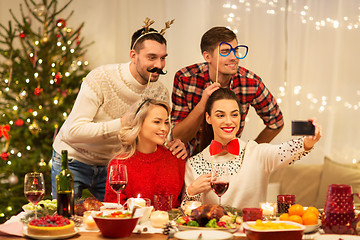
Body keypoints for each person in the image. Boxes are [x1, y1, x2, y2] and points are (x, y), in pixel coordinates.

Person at [51, 18, 187, 201]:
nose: (160, 65)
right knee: (66, 220)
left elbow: (155, 130)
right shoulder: (102, 77)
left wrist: (172, 143)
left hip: (113, 165)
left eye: (163, 58)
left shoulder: (159, 92)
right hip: (73, 161)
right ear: (133, 55)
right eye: (152, 57)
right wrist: (122, 123)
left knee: (113, 223)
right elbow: (72, 132)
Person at [182, 88, 322, 208]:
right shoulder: (193, 164)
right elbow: (186, 215)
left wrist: (307, 142)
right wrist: (191, 191)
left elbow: (283, 151)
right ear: (208, 118)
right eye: (220, 115)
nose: (229, 121)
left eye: (234, 114)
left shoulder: (256, 153)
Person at [171, 26, 284, 156]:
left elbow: (276, 122)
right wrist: (203, 104)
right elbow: (178, 136)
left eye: (236, 50)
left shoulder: (250, 82)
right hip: (190, 159)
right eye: (225, 51)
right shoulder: (185, 78)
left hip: (229, 160)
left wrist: (250, 154)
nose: (234, 57)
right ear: (207, 56)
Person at [104, 99, 185, 208]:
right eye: (157, 122)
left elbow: (183, 206)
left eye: (166, 122)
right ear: (139, 124)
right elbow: (113, 209)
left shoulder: (176, 157)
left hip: (170, 224)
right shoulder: (119, 164)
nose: (164, 128)